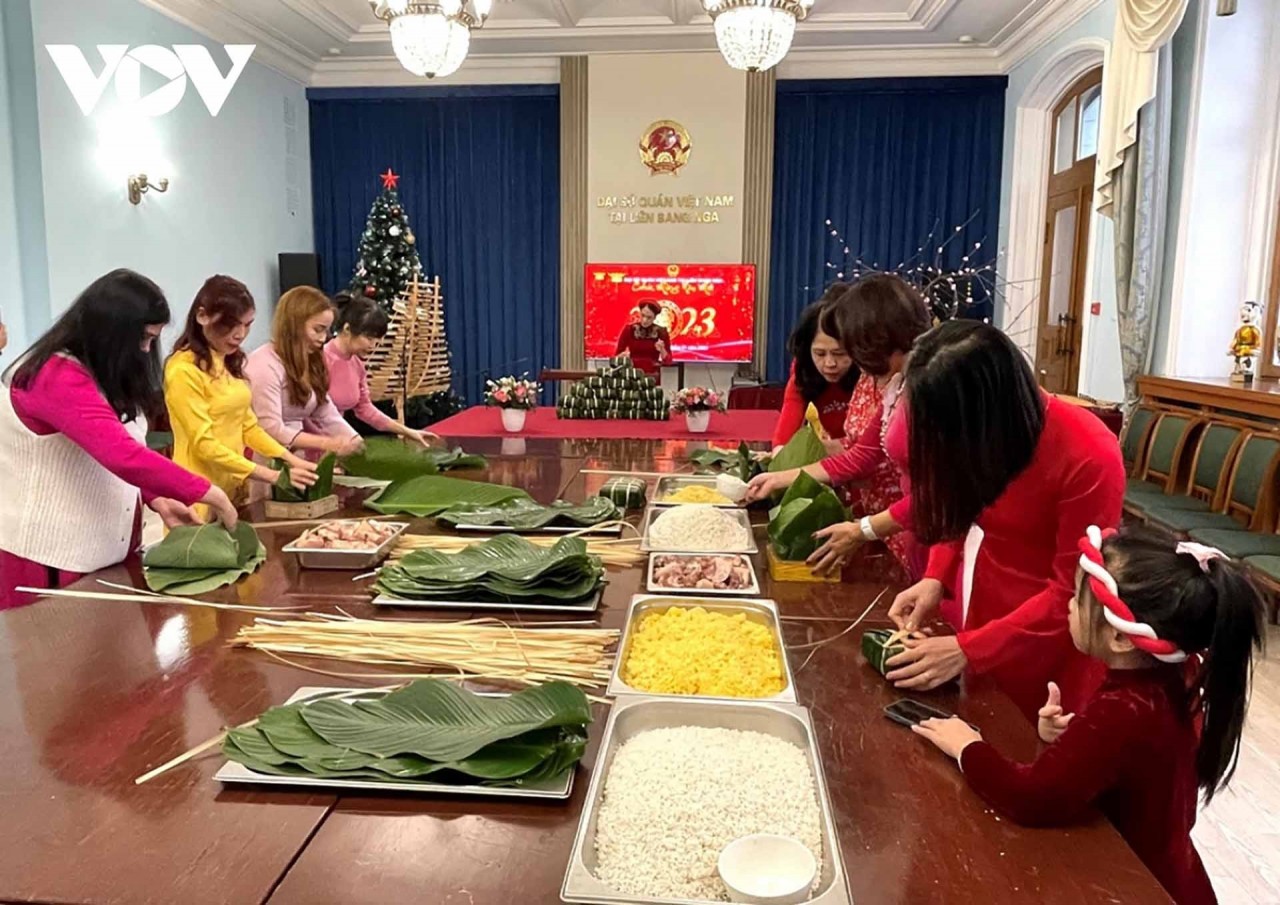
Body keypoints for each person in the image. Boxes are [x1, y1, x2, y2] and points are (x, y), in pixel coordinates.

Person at [913, 524, 1265, 905]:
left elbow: (1030, 797)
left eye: (1078, 600)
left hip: (1139, 886)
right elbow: (1123, 767)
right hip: (1168, 874)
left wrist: (968, 746)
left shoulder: (1127, 710)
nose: (1068, 605)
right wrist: (1069, 738)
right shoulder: (1166, 677)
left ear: (1120, 637)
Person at [884, 320, 1125, 722]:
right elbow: (962, 505)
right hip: (980, 618)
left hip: (1046, 644)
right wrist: (935, 577)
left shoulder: (1089, 454)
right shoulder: (985, 434)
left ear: (985, 412)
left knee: (1025, 747)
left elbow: (1072, 590)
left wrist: (969, 649)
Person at [0, 270, 238, 607]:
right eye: (143, 338)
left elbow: (121, 444)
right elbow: (120, 453)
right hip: (51, 557)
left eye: (152, 340)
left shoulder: (102, 372)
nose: (145, 350)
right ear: (110, 332)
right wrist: (206, 491)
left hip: (106, 549)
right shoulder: (52, 374)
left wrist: (154, 495)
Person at [747, 275, 932, 580]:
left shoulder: (929, 386)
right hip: (888, 527)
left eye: (847, 350)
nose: (838, 361)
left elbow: (936, 496)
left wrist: (864, 529)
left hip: (915, 527)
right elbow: (862, 455)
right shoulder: (888, 381)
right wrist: (779, 476)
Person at [165, 275, 317, 508]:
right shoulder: (183, 370)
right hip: (198, 493)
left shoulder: (226, 361)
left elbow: (249, 427)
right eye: (231, 324)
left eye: (248, 324)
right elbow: (204, 444)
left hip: (232, 488)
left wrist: (290, 459)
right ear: (202, 316)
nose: (240, 334)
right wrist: (274, 476)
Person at [246, 287, 364, 457]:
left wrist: (355, 441)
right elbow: (270, 428)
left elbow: (324, 410)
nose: (323, 339)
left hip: (295, 458)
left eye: (326, 330)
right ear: (294, 325)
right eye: (318, 329)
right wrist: (328, 443)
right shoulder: (263, 364)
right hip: (263, 459)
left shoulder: (310, 361)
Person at [324, 293, 439, 446]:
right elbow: (313, 414)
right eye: (369, 339)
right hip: (313, 449)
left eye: (377, 341)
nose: (373, 346)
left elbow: (365, 408)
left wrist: (407, 431)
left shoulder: (357, 363)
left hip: (336, 446)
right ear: (347, 329)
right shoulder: (320, 360)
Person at [771, 283, 857, 454]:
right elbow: (784, 436)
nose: (830, 363)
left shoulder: (871, 373)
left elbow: (868, 449)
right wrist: (780, 453)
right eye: (819, 353)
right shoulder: (804, 369)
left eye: (839, 354)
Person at [614, 301, 672, 377]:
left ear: (655, 317)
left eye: (649, 317)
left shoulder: (661, 332)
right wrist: (622, 356)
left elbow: (668, 361)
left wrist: (662, 350)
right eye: (643, 315)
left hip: (652, 375)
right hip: (631, 374)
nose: (645, 320)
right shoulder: (629, 330)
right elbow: (616, 358)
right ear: (639, 313)